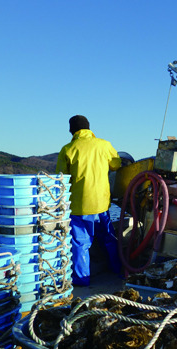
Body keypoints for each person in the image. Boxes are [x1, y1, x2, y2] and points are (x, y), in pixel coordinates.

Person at [56, 115, 122, 286]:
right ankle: (118, 270)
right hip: (102, 204)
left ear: (72, 130)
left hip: (79, 207)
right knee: (108, 238)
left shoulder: (68, 149)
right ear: (89, 128)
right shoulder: (104, 145)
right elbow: (117, 164)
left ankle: (82, 280)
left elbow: (60, 179)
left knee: (80, 244)